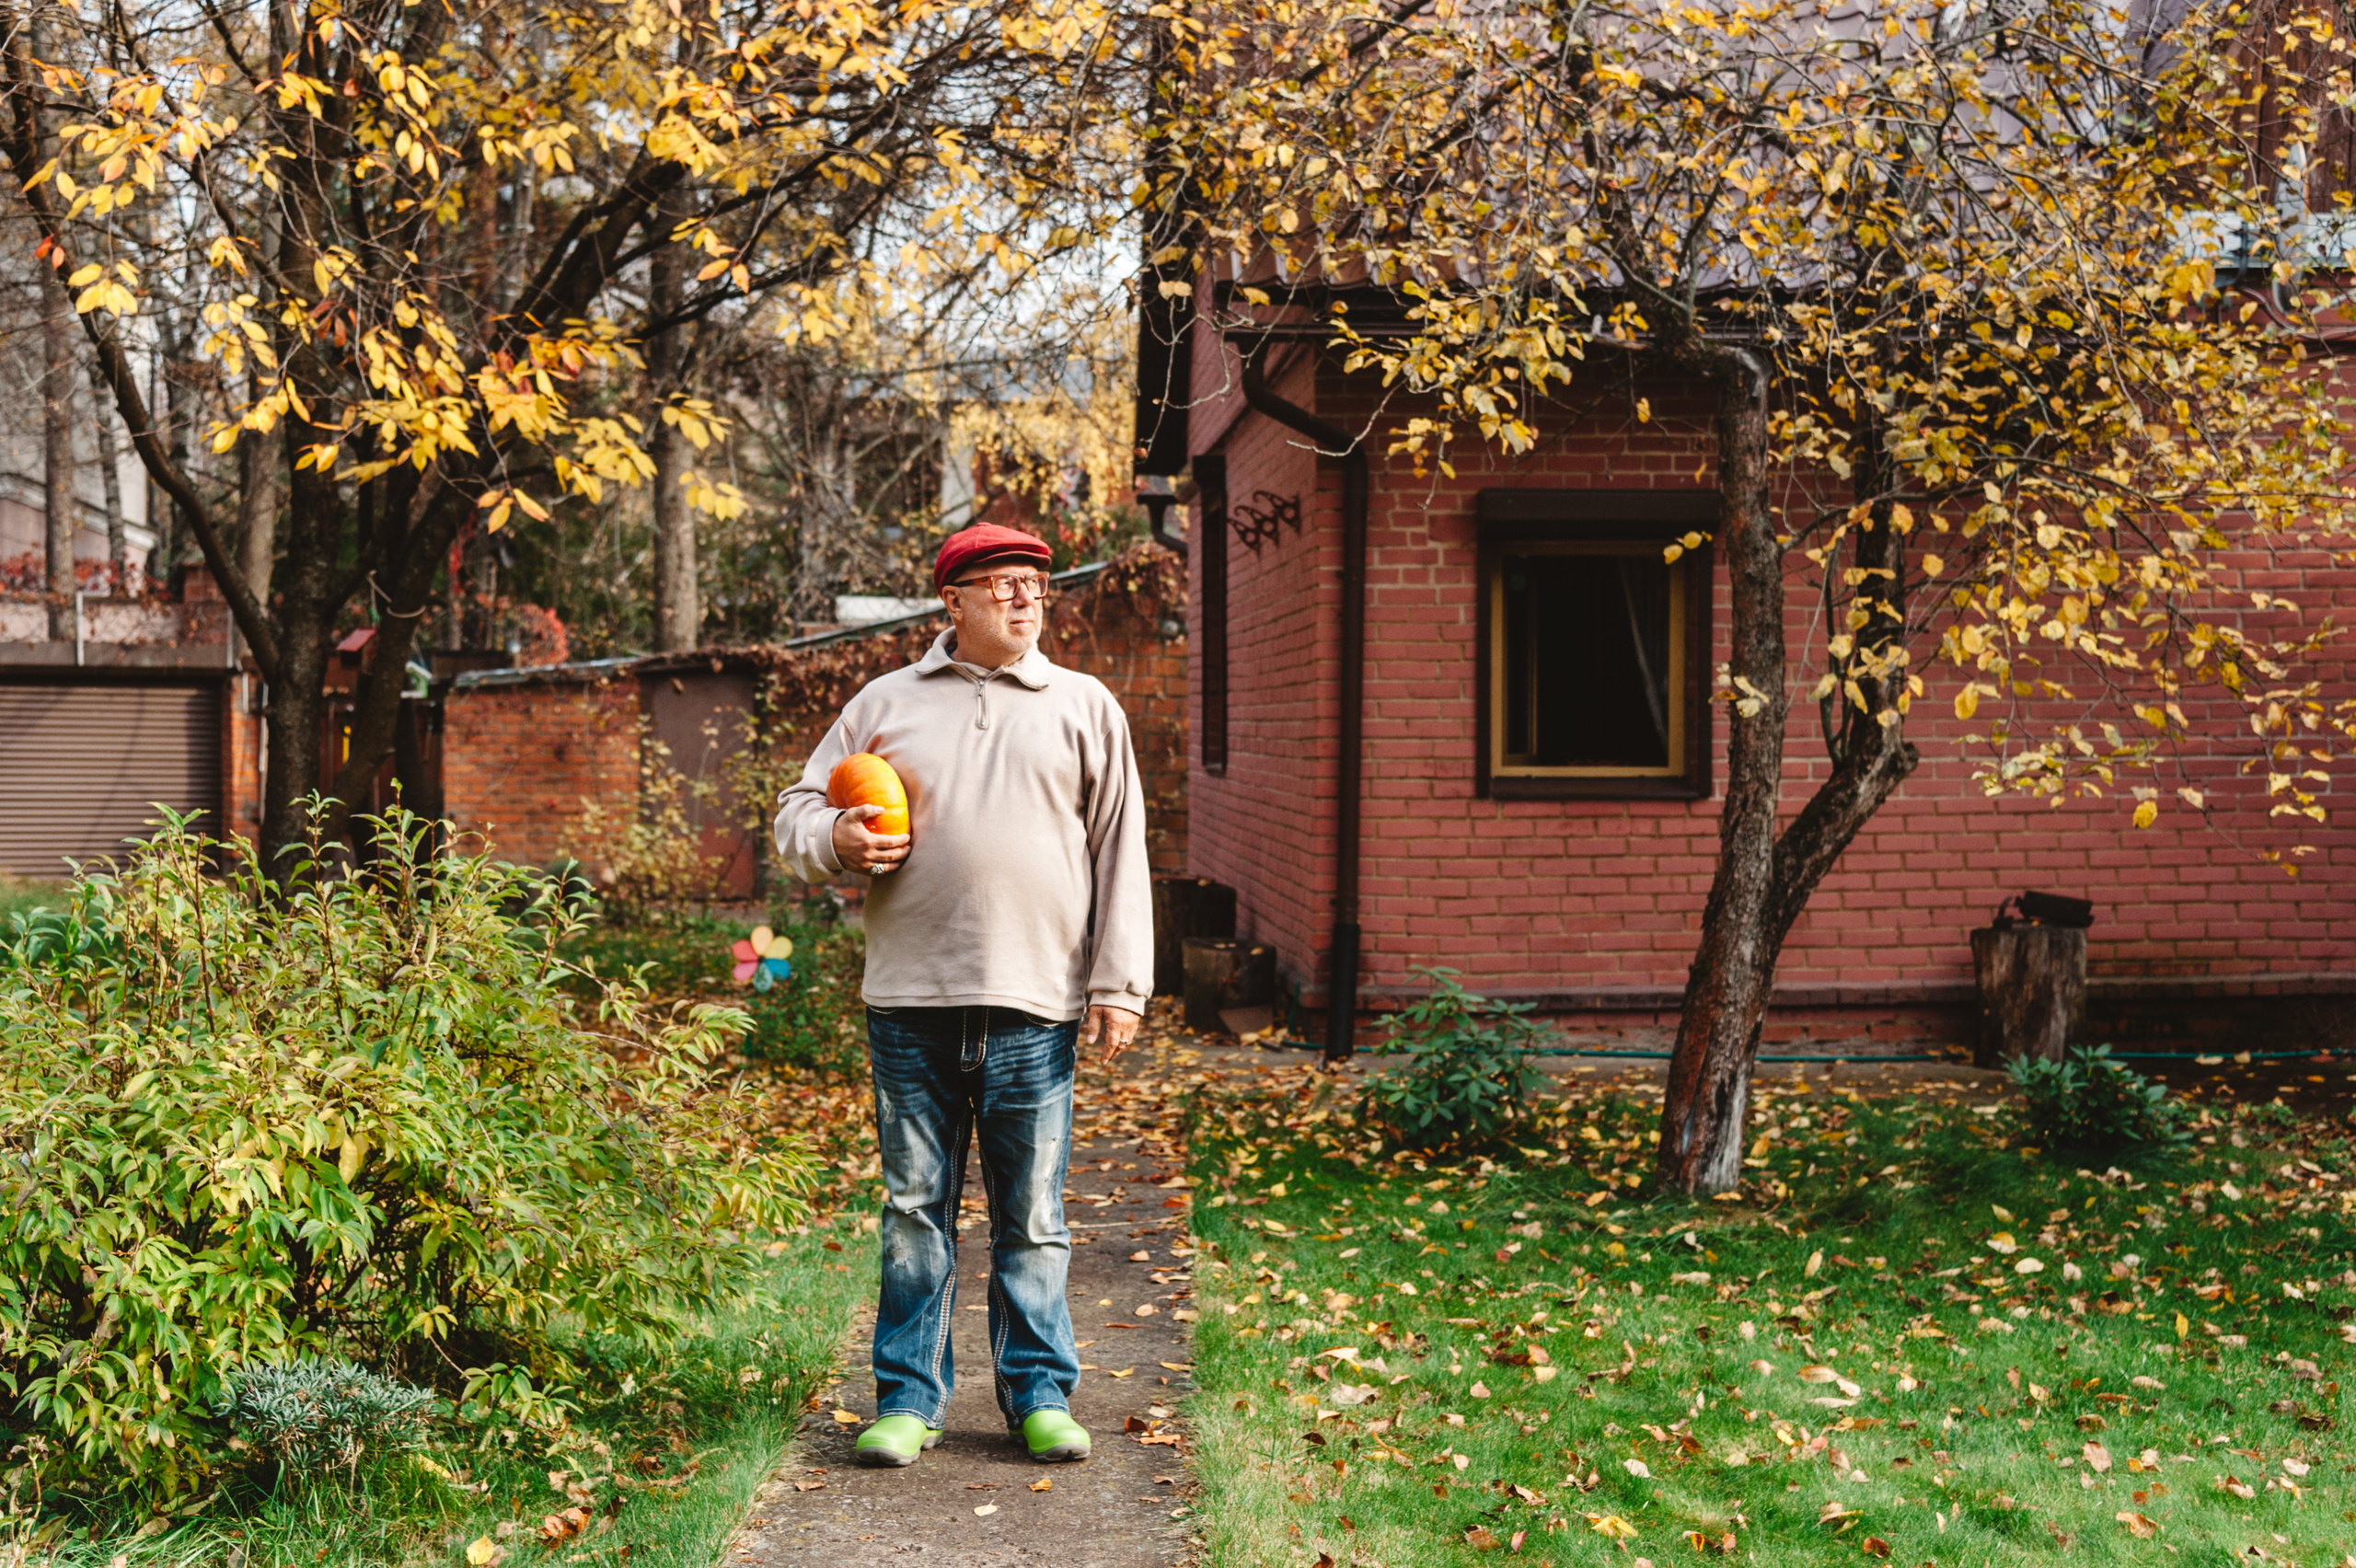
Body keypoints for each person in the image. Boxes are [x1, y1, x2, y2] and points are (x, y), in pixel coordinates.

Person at [772, 521, 1152, 1469]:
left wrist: (1119, 985)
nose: (1027, 598)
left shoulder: (1083, 704)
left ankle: (1038, 1396)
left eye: (1035, 584)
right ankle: (908, 1400)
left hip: (1037, 1003)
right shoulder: (885, 702)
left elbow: (1120, 850)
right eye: (1003, 584)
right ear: (953, 601)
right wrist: (838, 844)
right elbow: (797, 811)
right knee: (914, 1213)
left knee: (1031, 1217)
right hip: (910, 1001)